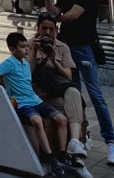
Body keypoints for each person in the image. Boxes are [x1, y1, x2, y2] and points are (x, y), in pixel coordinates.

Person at [45, 0, 114, 166]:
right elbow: (54, 10)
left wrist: (52, 21)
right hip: (67, 47)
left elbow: (72, 15)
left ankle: (112, 143)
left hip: (83, 48)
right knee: (74, 94)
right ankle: (81, 136)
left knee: (95, 95)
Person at [0, 33, 70, 178]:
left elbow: (29, 70)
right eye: (22, 47)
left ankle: (61, 155)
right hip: (22, 103)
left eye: (27, 46)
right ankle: (51, 158)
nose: (26, 49)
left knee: (61, 119)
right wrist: (0, 91)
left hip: (35, 100)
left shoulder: (25, 63)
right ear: (12, 49)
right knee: (37, 121)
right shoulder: (10, 63)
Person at [29, 13, 91, 166]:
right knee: (69, 107)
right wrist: (34, 52)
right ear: (38, 28)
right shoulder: (30, 44)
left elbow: (68, 76)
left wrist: (53, 61)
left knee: (74, 93)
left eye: (51, 29)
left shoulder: (62, 47)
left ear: (56, 30)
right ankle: (70, 155)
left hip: (60, 87)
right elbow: (28, 74)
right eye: (44, 28)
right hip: (41, 91)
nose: (48, 33)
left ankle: (74, 143)